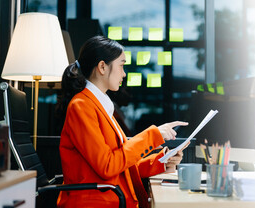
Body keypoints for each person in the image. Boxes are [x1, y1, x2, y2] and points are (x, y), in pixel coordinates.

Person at [55, 36, 188, 208]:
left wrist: (162, 160)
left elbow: (121, 165)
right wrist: (153, 135)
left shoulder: (100, 106)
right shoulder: (81, 106)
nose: (124, 73)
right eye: (121, 65)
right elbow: (108, 166)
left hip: (111, 199)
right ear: (102, 67)